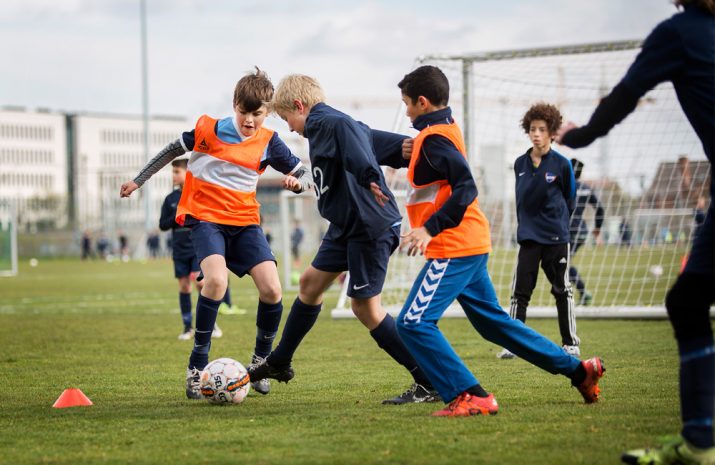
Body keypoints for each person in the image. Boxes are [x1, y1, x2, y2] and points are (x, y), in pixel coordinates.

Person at [392, 65, 604, 417]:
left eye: (407, 104)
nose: (407, 111)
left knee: (413, 322)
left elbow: (466, 187)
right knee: (495, 325)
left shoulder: (436, 140)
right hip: (471, 243)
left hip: (454, 247)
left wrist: (430, 228)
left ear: (423, 102)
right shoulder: (441, 130)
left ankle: (470, 395)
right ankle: (579, 370)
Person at [555, 2, 714, 462]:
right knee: (686, 302)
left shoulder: (681, 32)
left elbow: (625, 94)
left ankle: (701, 444)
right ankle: (699, 443)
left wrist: (578, 137)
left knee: (686, 303)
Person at [248, 73, 440, 404]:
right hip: (345, 226)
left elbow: (357, 143)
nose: (291, 128)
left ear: (299, 105)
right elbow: (367, 138)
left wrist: (370, 175)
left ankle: (429, 381)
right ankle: (280, 361)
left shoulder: (330, 122)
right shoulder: (328, 126)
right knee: (309, 284)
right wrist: (401, 149)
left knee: (365, 308)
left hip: (369, 225)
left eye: (288, 119)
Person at [120, 68, 311, 398]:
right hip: (205, 218)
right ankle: (197, 366)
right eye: (244, 112)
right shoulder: (208, 128)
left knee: (272, 288)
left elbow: (302, 174)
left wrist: (297, 185)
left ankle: (261, 362)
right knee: (217, 282)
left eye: (258, 114)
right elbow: (170, 151)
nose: (249, 120)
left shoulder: (269, 142)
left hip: (246, 222)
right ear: (234, 104)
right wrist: (139, 180)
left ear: (267, 112)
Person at [497, 102, 580, 360]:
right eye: (533, 129)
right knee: (519, 293)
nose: (536, 134)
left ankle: (570, 343)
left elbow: (570, 199)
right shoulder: (519, 163)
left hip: (556, 238)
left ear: (552, 132)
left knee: (561, 290)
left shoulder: (562, 165)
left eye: (542, 129)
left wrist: (557, 223)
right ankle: (513, 344)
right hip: (529, 238)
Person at [159, 158, 224, 341]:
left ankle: (210, 323)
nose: (173, 175)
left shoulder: (198, 194)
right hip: (179, 250)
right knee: (184, 286)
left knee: (201, 282)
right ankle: (187, 327)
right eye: (173, 172)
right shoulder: (170, 199)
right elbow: (163, 224)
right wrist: (177, 214)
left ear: (187, 172)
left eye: (176, 172)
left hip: (198, 248)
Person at [569, 158, 605, 306]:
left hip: (567, 231)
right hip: (582, 231)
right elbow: (600, 208)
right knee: (561, 263)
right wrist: (597, 228)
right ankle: (581, 292)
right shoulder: (586, 188)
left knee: (561, 264)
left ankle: (583, 292)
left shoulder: (564, 187)